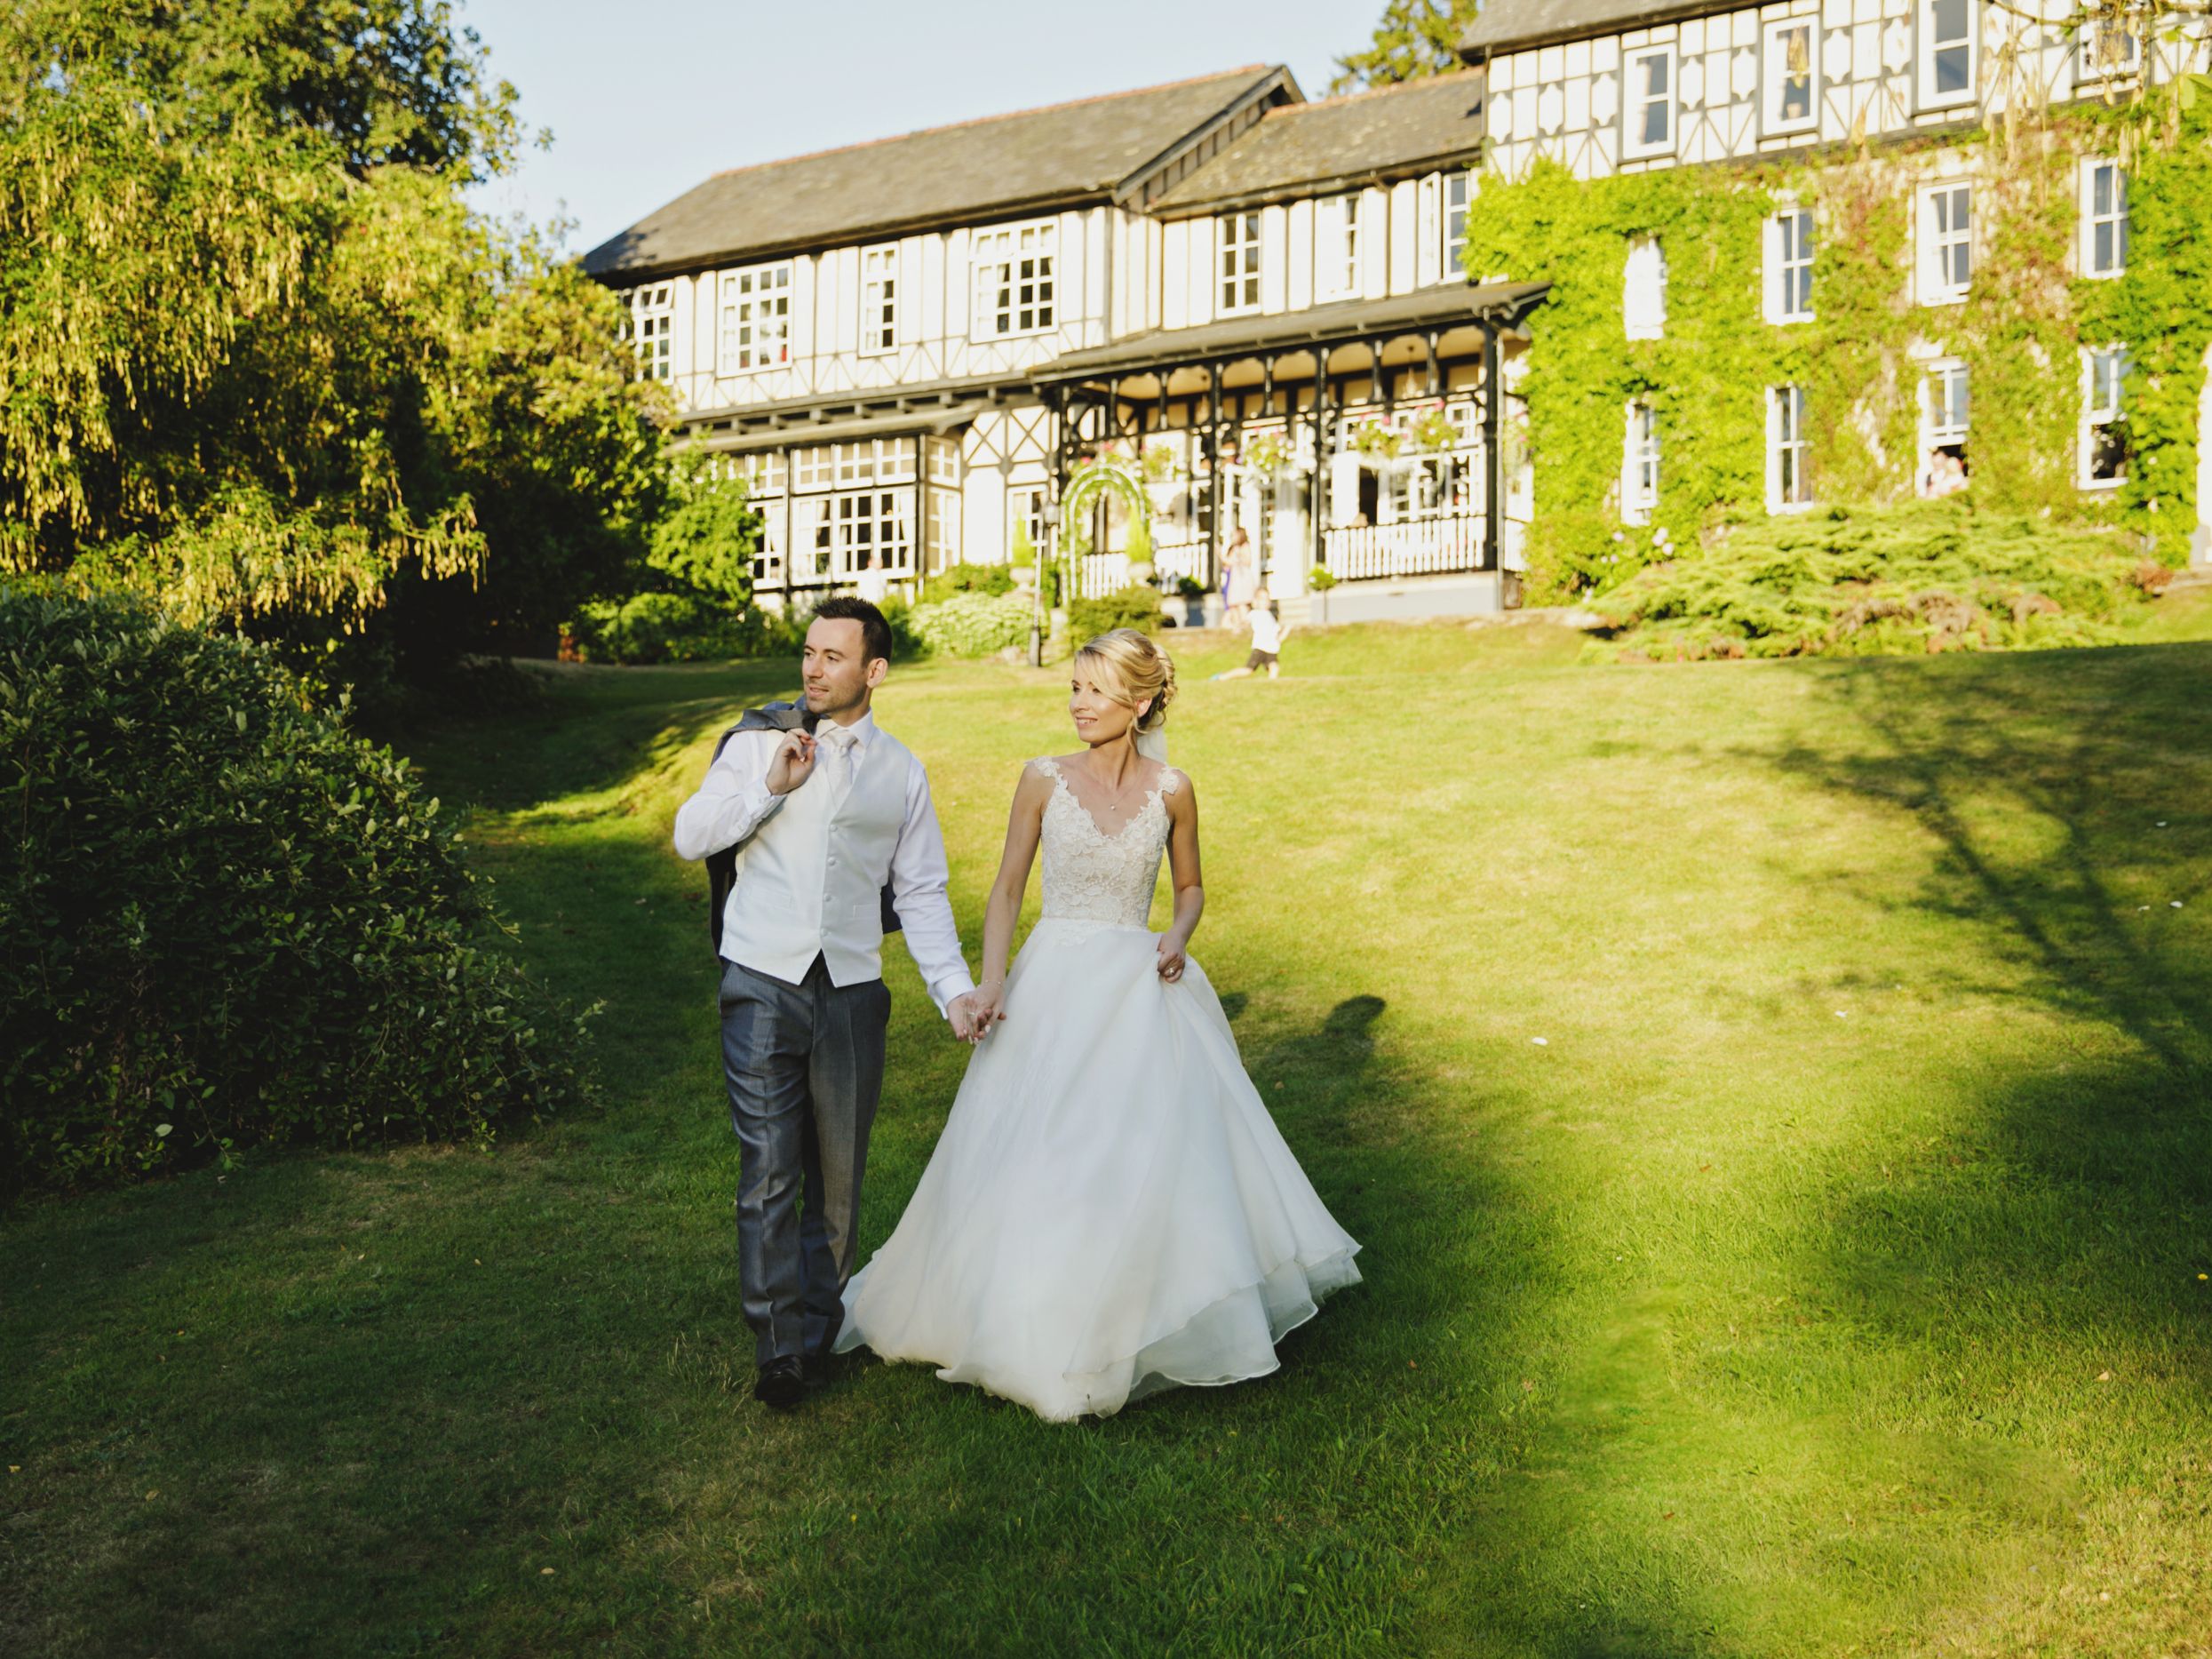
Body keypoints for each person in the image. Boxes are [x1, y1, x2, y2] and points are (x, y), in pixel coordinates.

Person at [833, 628, 1361, 1420]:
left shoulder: (1174, 788)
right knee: (1040, 1140)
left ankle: (1129, 1316)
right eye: (1074, 689)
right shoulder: (1041, 779)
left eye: (1094, 690)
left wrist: (1177, 938)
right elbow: (1008, 887)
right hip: (1053, 980)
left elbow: (1189, 888)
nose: (1078, 704)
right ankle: (1016, 1308)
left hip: (1139, 981)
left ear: (1139, 702)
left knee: (1137, 1147)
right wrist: (994, 979)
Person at [672, 597, 982, 1411]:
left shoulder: (902, 770)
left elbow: (920, 892)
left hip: (850, 992)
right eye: (808, 652)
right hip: (761, 982)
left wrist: (952, 989)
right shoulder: (755, 744)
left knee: (836, 1182)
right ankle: (778, 1352)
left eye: (832, 656)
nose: (812, 668)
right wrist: (767, 789)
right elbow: (691, 832)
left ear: (873, 671)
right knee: (769, 1173)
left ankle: (816, 1330)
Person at [1211, 586, 1290, 682]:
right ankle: (1221, 677)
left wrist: (1286, 630)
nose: (1265, 601)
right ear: (1256, 601)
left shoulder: (1271, 616)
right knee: (1248, 670)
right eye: (1262, 599)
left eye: (1267, 598)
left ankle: (1270, 686)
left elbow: (1277, 637)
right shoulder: (1255, 614)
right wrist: (1235, 627)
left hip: (1271, 649)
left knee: (1274, 668)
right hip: (1260, 648)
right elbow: (1244, 622)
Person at [1219, 526, 1253, 628]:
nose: (1232, 537)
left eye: (1234, 535)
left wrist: (1239, 556)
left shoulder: (1245, 546)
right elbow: (1228, 563)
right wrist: (1220, 555)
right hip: (1235, 579)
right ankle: (1238, 625)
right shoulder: (1234, 549)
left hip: (1242, 578)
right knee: (1233, 604)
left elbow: (1248, 561)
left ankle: (1245, 625)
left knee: (1242, 603)